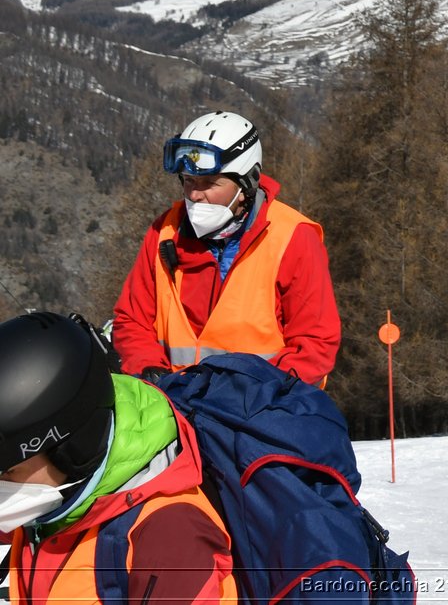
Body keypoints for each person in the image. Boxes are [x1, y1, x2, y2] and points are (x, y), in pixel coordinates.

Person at [0, 310, 236, 602]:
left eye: (8, 472)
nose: (2, 485)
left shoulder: (169, 542)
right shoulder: (55, 505)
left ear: (74, 452)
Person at [113, 111, 340, 386]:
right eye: (188, 181)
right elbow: (132, 321)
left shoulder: (293, 237)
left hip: (259, 413)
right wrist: (150, 369)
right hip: (174, 405)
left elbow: (315, 343)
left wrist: (256, 393)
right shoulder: (164, 232)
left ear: (246, 183)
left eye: (209, 183)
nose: (195, 194)